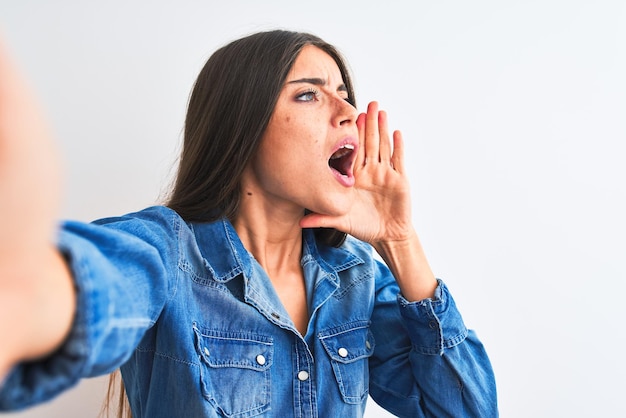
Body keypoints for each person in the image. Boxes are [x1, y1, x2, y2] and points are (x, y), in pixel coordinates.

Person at [0, 30, 497, 417]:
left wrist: (400, 240)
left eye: (345, 94)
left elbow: (467, 411)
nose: (349, 113)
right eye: (309, 95)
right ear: (243, 122)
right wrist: (27, 297)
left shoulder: (357, 277)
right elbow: (90, 287)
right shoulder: (164, 250)